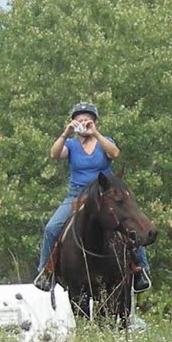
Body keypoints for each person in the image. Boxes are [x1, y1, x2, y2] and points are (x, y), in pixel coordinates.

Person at [33, 102, 149, 293]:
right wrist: (65, 133)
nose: (84, 124)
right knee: (51, 228)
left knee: (132, 223)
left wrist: (95, 133)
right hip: (77, 194)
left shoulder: (105, 140)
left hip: (106, 194)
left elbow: (114, 153)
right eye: (79, 121)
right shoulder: (70, 145)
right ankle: (46, 272)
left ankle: (139, 270)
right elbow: (55, 154)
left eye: (88, 120)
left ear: (95, 122)